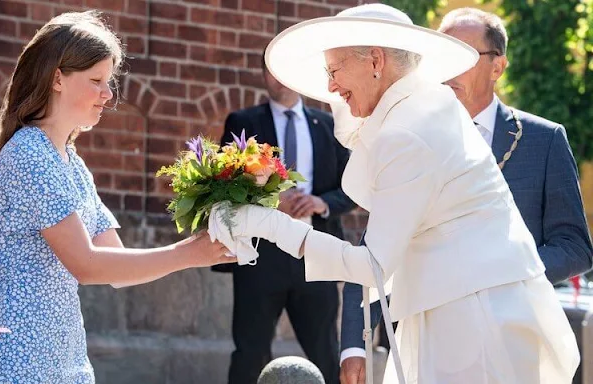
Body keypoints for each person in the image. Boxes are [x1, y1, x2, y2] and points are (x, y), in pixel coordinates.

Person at [210, 4, 580, 384]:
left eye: (334, 71)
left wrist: (268, 224)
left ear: (375, 60)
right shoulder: (423, 111)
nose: (331, 88)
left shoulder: (408, 132)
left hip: (475, 322)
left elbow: (373, 265)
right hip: (459, 310)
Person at [0, 11, 232, 383]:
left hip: (64, 348)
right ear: (57, 78)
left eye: (109, 82)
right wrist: (187, 254)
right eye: (97, 81)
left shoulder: (71, 162)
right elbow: (87, 265)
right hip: (20, 350)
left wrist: (207, 232)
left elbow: (117, 266)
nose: (108, 95)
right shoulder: (29, 153)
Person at [338, 7, 593, 383]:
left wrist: (502, 272)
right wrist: (353, 346)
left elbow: (575, 246)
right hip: (430, 341)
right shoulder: (410, 137)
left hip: (512, 340)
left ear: (498, 67)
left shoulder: (544, 140)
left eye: (465, 56)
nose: (448, 69)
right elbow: (374, 247)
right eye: (441, 57)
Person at [212, 51, 356, 384]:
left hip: (315, 253)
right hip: (261, 256)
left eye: (284, 71)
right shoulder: (243, 122)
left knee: (324, 351)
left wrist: (321, 202)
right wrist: (270, 203)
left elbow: (352, 188)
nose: (277, 79)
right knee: (250, 351)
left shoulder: (328, 126)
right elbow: (224, 186)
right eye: (270, 72)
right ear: (263, 75)